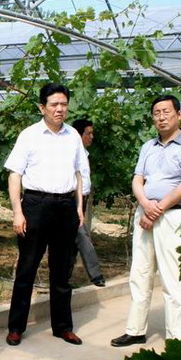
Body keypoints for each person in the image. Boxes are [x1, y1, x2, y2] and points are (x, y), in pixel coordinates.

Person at [111, 95, 181, 347]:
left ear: (179, 114)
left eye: (166, 112)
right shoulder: (148, 147)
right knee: (140, 273)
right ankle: (135, 330)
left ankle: (176, 338)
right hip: (146, 213)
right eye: (156, 113)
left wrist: (157, 209)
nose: (161, 117)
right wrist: (145, 203)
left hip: (172, 216)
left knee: (173, 276)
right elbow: (137, 179)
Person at [4, 82, 86, 347]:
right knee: (27, 268)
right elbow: (15, 174)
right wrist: (17, 212)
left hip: (65, 206)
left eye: (64, 104)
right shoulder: (29, 135)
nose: (60, 109)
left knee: (62, 271)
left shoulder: (73, 136)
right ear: (42, 107)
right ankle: (16, 327)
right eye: (54, 104)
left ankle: (63, 327)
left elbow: (79, 174)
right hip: (36, 205)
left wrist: (79, 207)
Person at [70, 119, 106, 287]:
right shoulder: (71, 152)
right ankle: (96, 274)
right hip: (72, 199)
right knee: (81, 234)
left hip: (81, 199)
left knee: (72, 241)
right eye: (88, 133)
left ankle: (64, 276)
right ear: (79, 134)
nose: (91, 137)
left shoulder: (84, 153)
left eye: (92, 133)